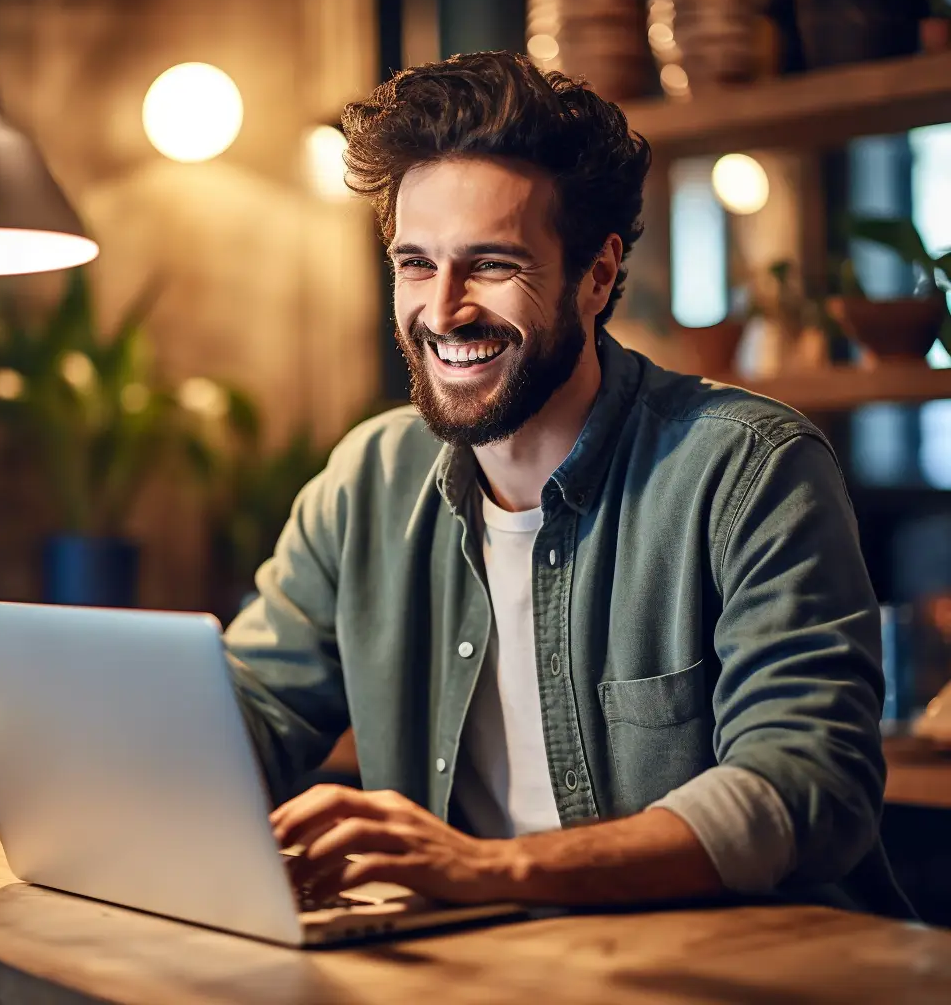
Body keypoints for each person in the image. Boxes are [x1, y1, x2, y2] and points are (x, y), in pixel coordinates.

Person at [225, 51, 911, 917]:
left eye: (491, 265)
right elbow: (247, 711)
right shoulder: (370, 478)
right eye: (415, 264)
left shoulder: (749, 467)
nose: (442, 311)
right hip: (480, 968)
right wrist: (29, 764)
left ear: (595, 275)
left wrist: (487, 870)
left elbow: (807, 785)